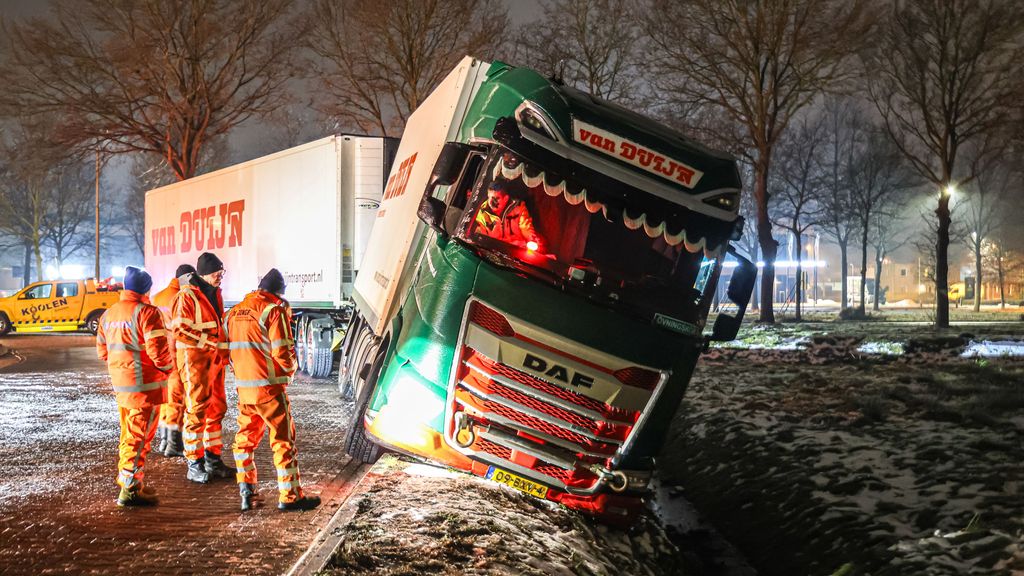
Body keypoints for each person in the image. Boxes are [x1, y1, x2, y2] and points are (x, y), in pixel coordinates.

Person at [225, 268, 321, 512]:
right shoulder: (273, 311)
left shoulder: (234, 312)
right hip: (269, 390)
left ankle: (247, 494)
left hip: (245, 391)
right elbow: (283, 352)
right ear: (279, 293)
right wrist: (289, 372)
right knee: (282, 442)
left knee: (244, 442)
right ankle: (290, 496)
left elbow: (226, 350)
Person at [96, 266, 173, 506]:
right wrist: (168, 369)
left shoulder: (108, 314)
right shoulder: (148, 313)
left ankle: (131, 481)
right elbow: (159, 352)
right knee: (139, 438)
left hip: (123, 387)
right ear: (146, 289)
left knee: (128, 435)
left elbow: (102, 352)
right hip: (145, 387)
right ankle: (129, 489)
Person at [171, 252, 232, 483]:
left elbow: (220, 326)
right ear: (205, 273)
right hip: (194, 361)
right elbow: (180, 330)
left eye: (222, 273)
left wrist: (224, 353)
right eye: (217, 273)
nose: (220, 277)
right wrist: (210, 342)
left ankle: (213, 459)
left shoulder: (215, 294)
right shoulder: (186, 297)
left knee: (216, 409)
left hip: (213, 361)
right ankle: (193, 463)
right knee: (196, 410)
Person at [151, 264, 196, 457]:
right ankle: (173, 444)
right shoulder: (181, 298)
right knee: (176, 399)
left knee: (165, 398)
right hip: (175, 353)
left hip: (159, 354)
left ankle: (163, 440)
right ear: (186, 277)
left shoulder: (157, 297)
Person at [473, 181, 544, 250]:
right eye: (490, 197)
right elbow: (480, 236)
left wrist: (532, 239)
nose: (491, 202)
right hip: (492, 250)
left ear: (506, 198)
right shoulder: (481, 213)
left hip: (516, 250)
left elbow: (526, 227)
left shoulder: (519, 208)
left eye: (496, 198)